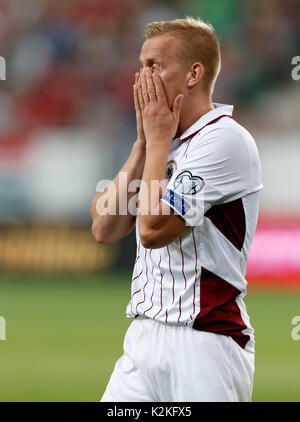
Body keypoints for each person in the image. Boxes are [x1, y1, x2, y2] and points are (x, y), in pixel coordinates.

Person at [91, 17, 263, 402]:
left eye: (155, 65)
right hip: (143, 337)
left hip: (204, 341)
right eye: (141, 65)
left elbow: (152, 230)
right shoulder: (161, 138)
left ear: (193, 74)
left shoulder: (224, 141)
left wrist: (155, 142)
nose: (142, 78)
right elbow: (103, 228)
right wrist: (141, 145)